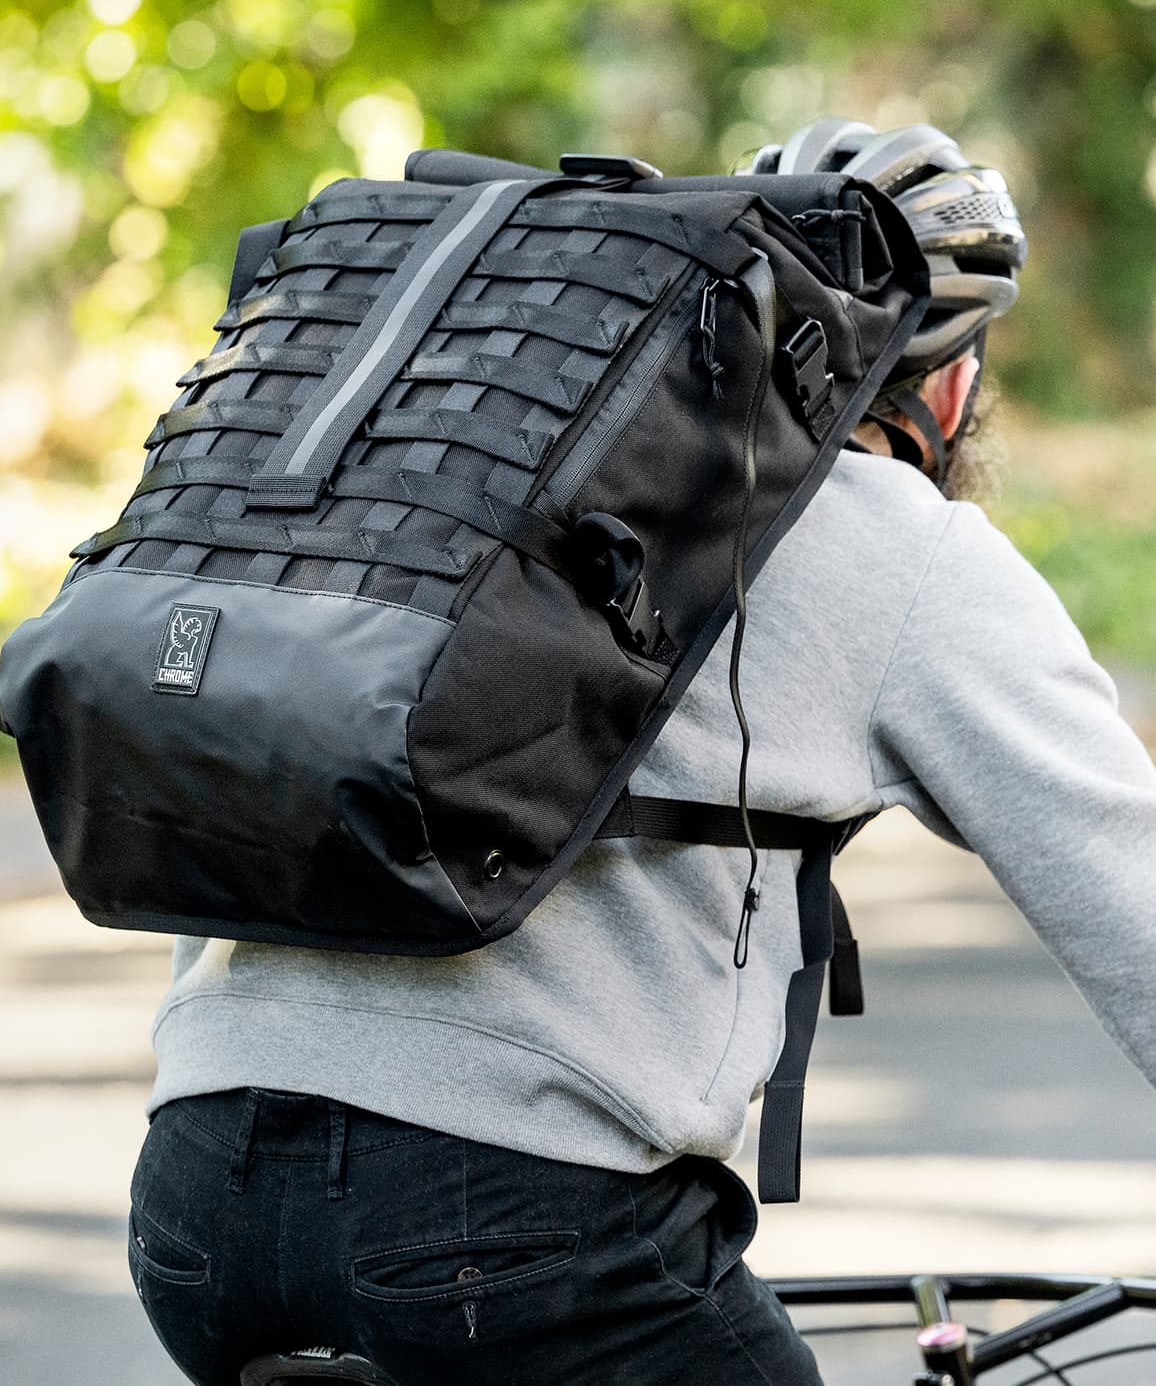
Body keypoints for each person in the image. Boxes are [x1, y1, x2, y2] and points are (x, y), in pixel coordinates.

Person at [125, 122, 1156, 1386]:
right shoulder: (901, 545)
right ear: (948, 382)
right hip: (510, 1234)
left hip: (195, 1205)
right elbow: (1133, 897)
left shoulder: (462, 492)